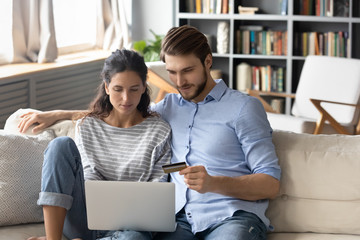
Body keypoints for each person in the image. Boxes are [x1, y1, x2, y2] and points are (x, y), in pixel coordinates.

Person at [20, 25, 281, 240]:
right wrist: (59, 114)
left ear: (208, 62)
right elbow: (121, 109)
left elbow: (270, 184)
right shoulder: (169, 106)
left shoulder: (244, 108)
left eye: (188, 70)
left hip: (231, 217)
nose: (180, 82)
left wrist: (214, 183)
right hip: (181, 222)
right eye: (172, 73)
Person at [25, 49, 172, 240]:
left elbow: (158, 187)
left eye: (134, 89)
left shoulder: (160, 130)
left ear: (144, 87)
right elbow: (89, 173)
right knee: (60, 145)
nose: (126, 99)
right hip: (83, 219)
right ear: (107, 87)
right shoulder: (88, 125)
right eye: (118, 89)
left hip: (131, 228)